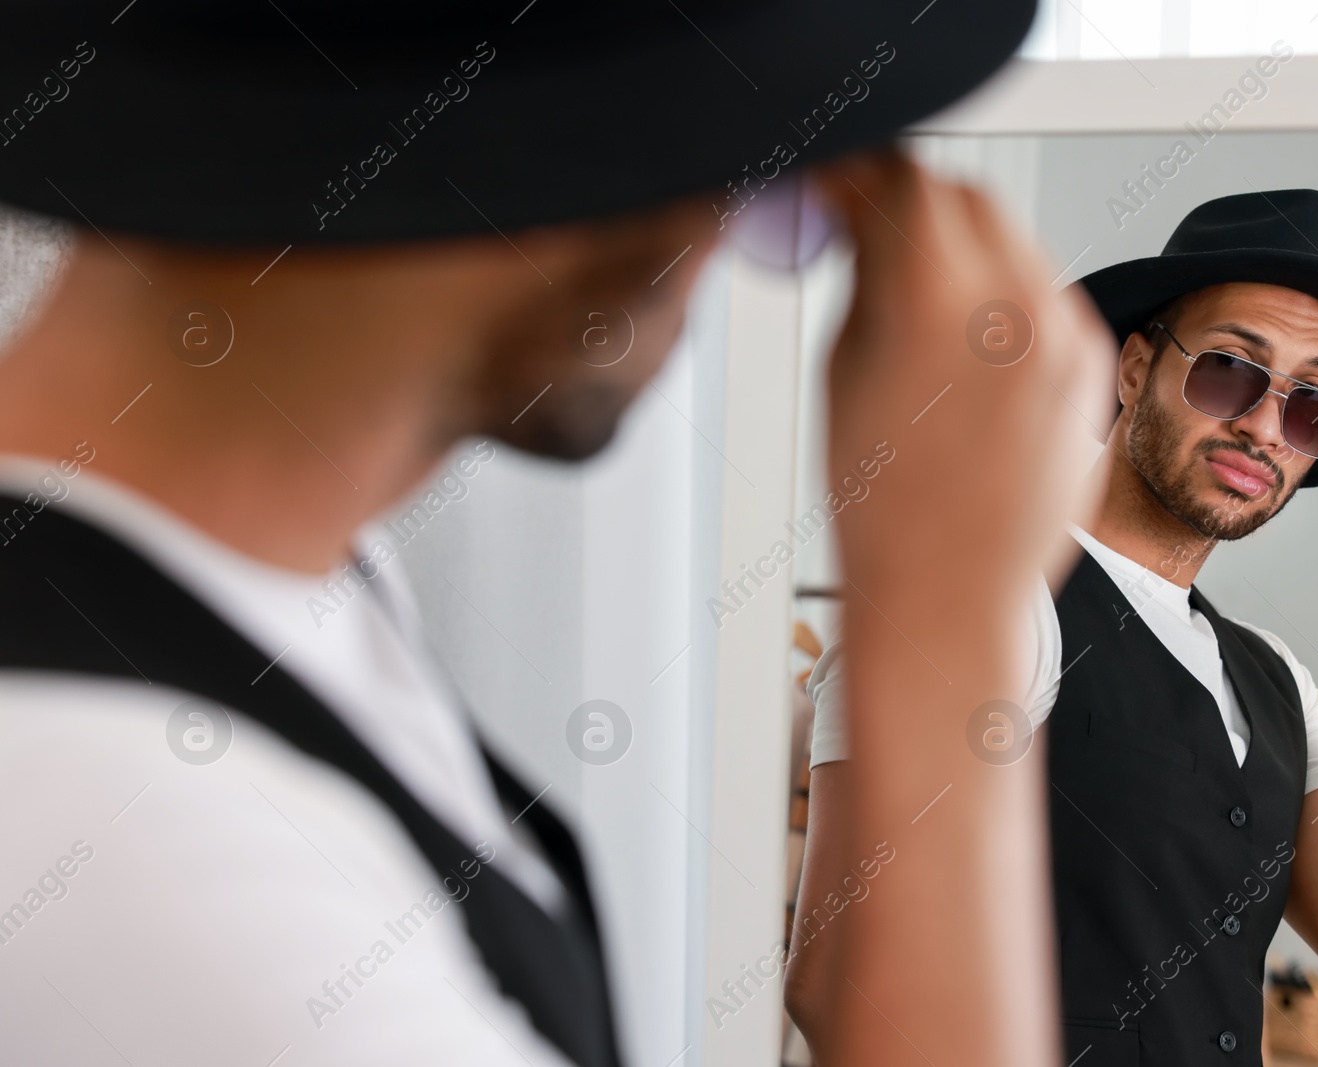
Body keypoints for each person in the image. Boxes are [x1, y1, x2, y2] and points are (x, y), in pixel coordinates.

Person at [0, 3, 1117, 1066]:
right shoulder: (123, 822)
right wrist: (945, 618)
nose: (727, 242)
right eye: (761, 177)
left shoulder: (270, 580)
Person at [786, 189, 1318, 1066]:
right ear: (1131, 370)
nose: (1265, 426)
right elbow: (835, 981)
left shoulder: (1273, 679)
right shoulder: (995, 608)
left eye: (1314, 405)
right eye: (1230, 369)